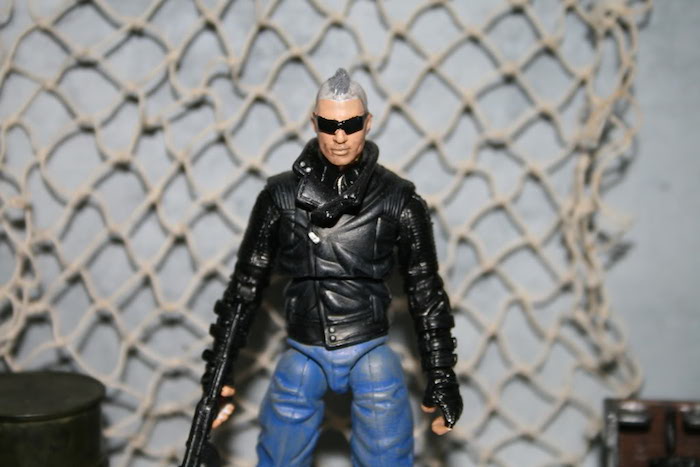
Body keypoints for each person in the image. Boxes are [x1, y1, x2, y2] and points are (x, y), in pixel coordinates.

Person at [201, 68, 462, 466]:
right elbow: (245, 288)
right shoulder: (280, 197)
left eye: (351, 125)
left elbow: (425, 291)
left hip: (368, 345)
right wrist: (219, 373)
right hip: (304, 347)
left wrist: (441, 375)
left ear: (367, 123)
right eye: (330, 125)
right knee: (281, 442)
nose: (340, 137)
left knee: (387, 444)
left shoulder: (398, 200)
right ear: (314, 123)